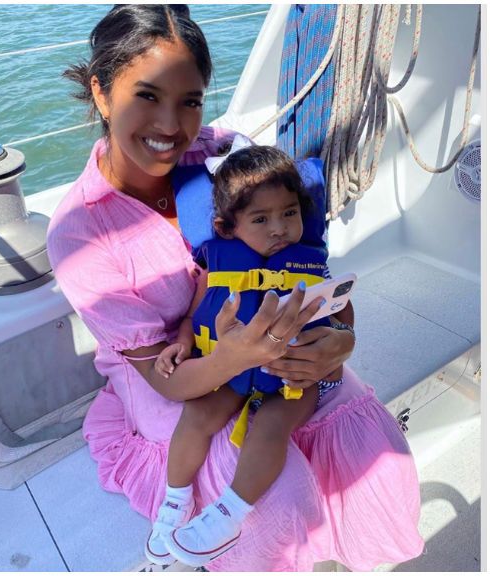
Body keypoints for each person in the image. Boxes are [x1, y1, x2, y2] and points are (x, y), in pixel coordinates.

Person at [48, 4, 423, 571]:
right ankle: (183, 527)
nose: (172, 127)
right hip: (179, 373)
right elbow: (172, 384)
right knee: (280, 505)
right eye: (146, 96)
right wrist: (232, 356)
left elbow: (301, 263)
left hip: (274, 342)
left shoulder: (218, 158)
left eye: (190, 101)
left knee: (381, 455)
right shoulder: (79, 233)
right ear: (102, 94)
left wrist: (340, 342)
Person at [148, 144, 352, 567]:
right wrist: (183, 343)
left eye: (289, 213)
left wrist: (342, 336)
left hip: (293, 378)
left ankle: (229, 515)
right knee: (197, 415)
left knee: (269, 429)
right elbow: (194, 312)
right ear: (227, 227)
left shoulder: (310, 261)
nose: (279, 228)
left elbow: (340, 310)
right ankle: (174, 501)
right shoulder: (219, 261)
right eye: (261, 219)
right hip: (233, 369)